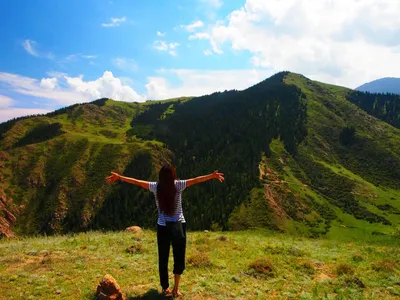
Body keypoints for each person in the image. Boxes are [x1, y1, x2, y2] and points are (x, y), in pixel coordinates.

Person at [106, 164, 224, 297]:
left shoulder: (156, 187)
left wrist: (119, 177)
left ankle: (165, 288)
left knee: (163, 258)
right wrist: (212, 176)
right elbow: (196, 180)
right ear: (173, 175)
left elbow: (136, 182)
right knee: (179, 257)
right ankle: (176, 289)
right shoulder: (178, 185)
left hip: (163, 226)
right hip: (178, 225)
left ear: (160, 176)